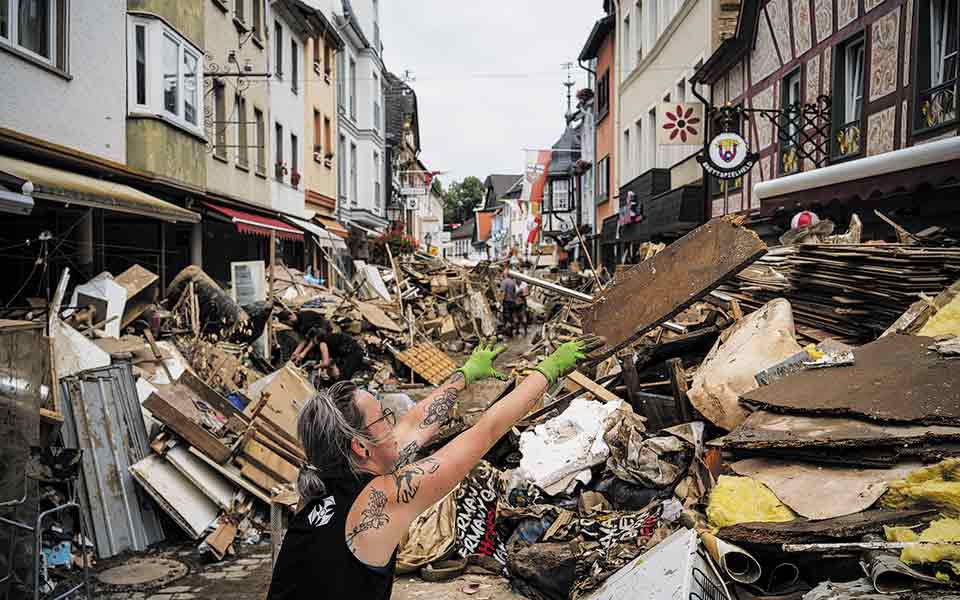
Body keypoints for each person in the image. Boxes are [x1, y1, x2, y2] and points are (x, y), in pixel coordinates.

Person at [266, 334, 603, 599]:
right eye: (383, 418)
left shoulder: (326, 484)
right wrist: (548, 370)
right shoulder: (381, 499)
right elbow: (485, 432)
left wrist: (465, 375)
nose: (392, 422)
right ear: (359, 446)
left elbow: (413, 424)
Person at [500, 270, 519, 337]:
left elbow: (503, 293)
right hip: (512, 302)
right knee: (511, 317)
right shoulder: (513, 282)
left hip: (507, 302)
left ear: (505, 274)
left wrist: (500, 302)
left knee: (507, 318)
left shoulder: (504, 282)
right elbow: (515, 293)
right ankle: (513, 331)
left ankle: (509, 333)